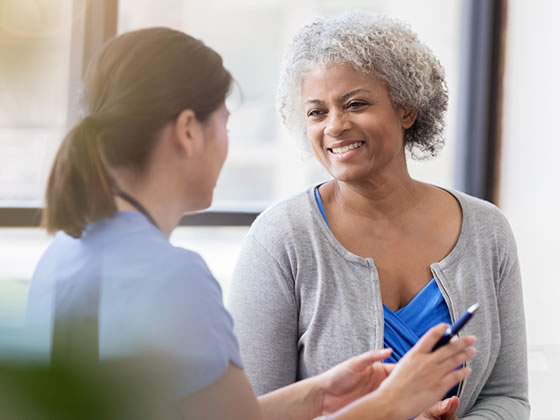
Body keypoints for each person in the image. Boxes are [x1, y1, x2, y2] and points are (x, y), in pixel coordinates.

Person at [24, 27, 475, 420]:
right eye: (224, 123)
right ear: (187, 130)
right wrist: (393, 403)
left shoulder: (65, 253)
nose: (226, 144)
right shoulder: (172, 278)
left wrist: (319, 393)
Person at [227, 11, 529, 420]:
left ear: (406, 108)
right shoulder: (281, 240)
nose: (335, 126)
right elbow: (251, 414)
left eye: (356, 104)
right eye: (317, 112)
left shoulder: (487, 231)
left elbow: (508, 397)